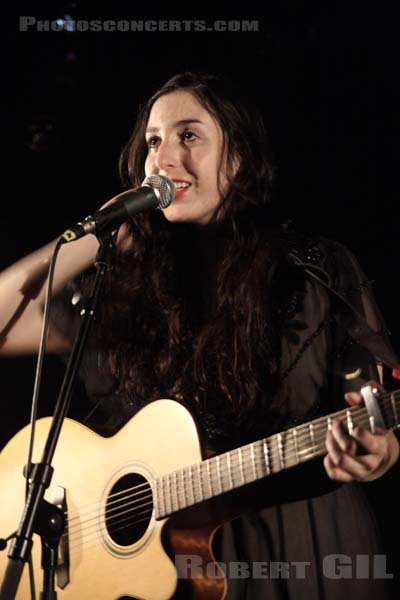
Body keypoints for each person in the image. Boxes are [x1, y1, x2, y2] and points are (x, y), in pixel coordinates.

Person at [0, 72, 399, 599]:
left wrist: (376, 454)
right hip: (161, 574)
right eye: (153, 141)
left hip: (296, 552)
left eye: (189, 136)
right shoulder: (123, 286)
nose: (163, 159)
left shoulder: (312, 269)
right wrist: (101, 233)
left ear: (239, 157)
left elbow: (378, 415)